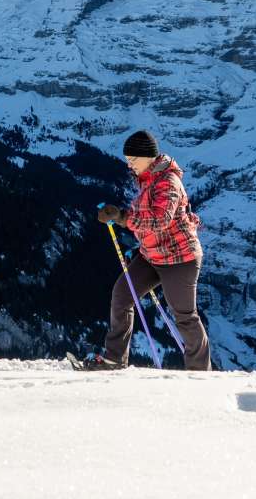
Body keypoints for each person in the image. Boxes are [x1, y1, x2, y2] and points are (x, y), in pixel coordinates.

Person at [86, 130, 211, 371]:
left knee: (185, 315)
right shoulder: (148, 178)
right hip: (152, 255)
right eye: (127, 159)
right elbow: (152, 222)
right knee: (121, 297)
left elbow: (159, 219)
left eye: (133, 159)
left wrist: (123, 218)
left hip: (180, 259)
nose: (129, 164)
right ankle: (114, 359)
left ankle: (200, 374)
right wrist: (140, 245)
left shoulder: (168, 182)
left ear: (149, 157)